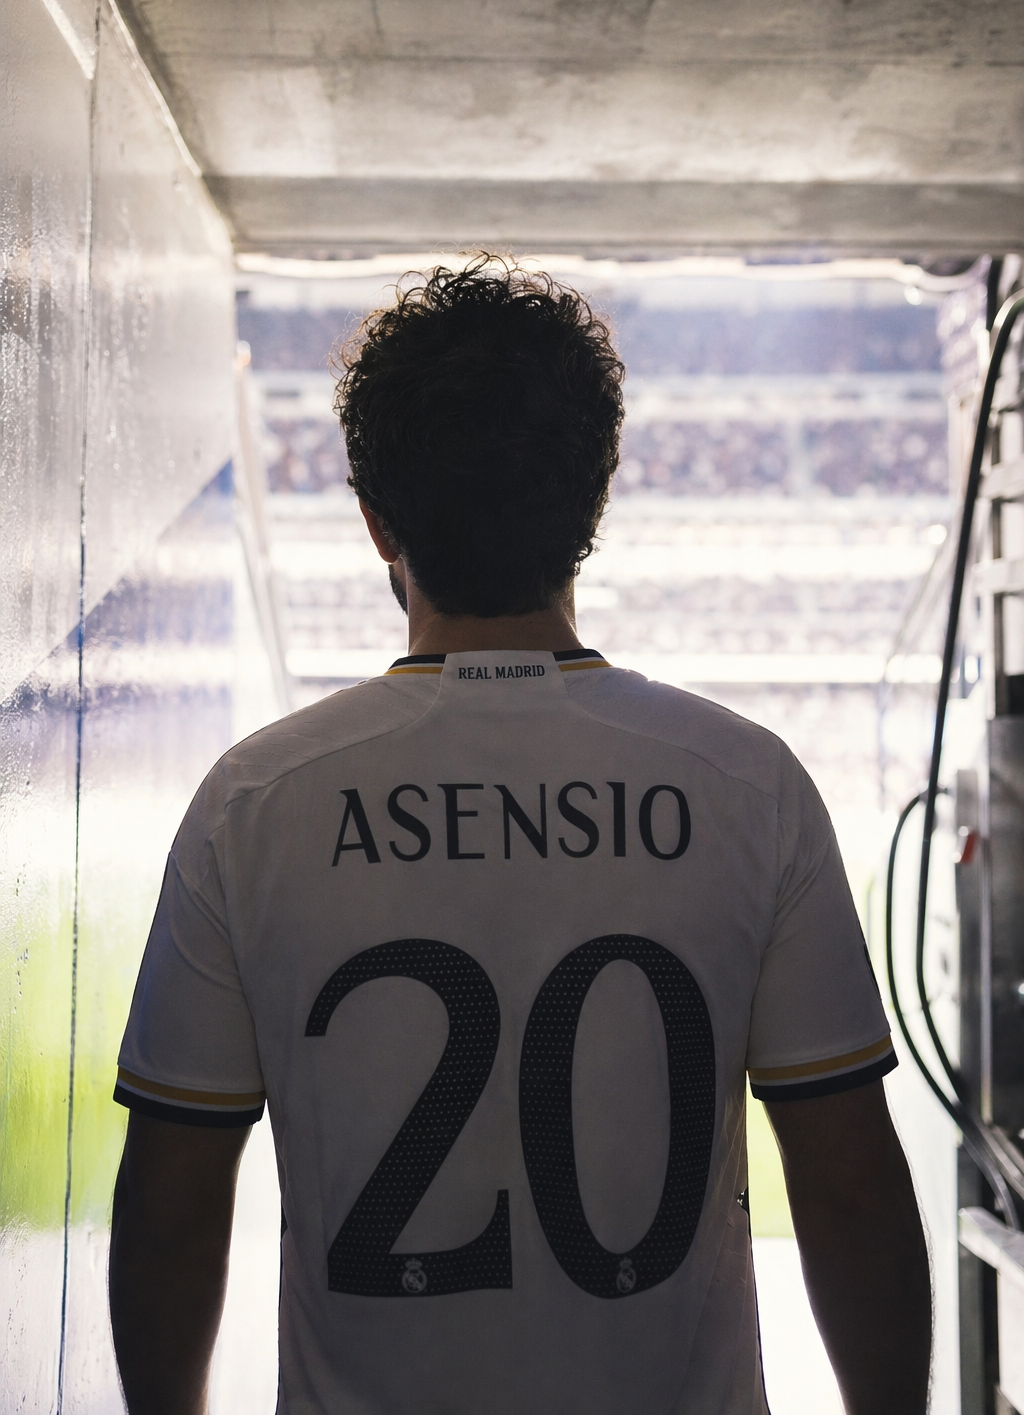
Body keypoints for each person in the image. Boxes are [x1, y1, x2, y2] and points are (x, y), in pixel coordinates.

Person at [109, 258, 931, 1415]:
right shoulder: (750, 786)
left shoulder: (255, 802)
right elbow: (845, 1183)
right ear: (594, 498)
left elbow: (175, 1205)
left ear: (373, 516)